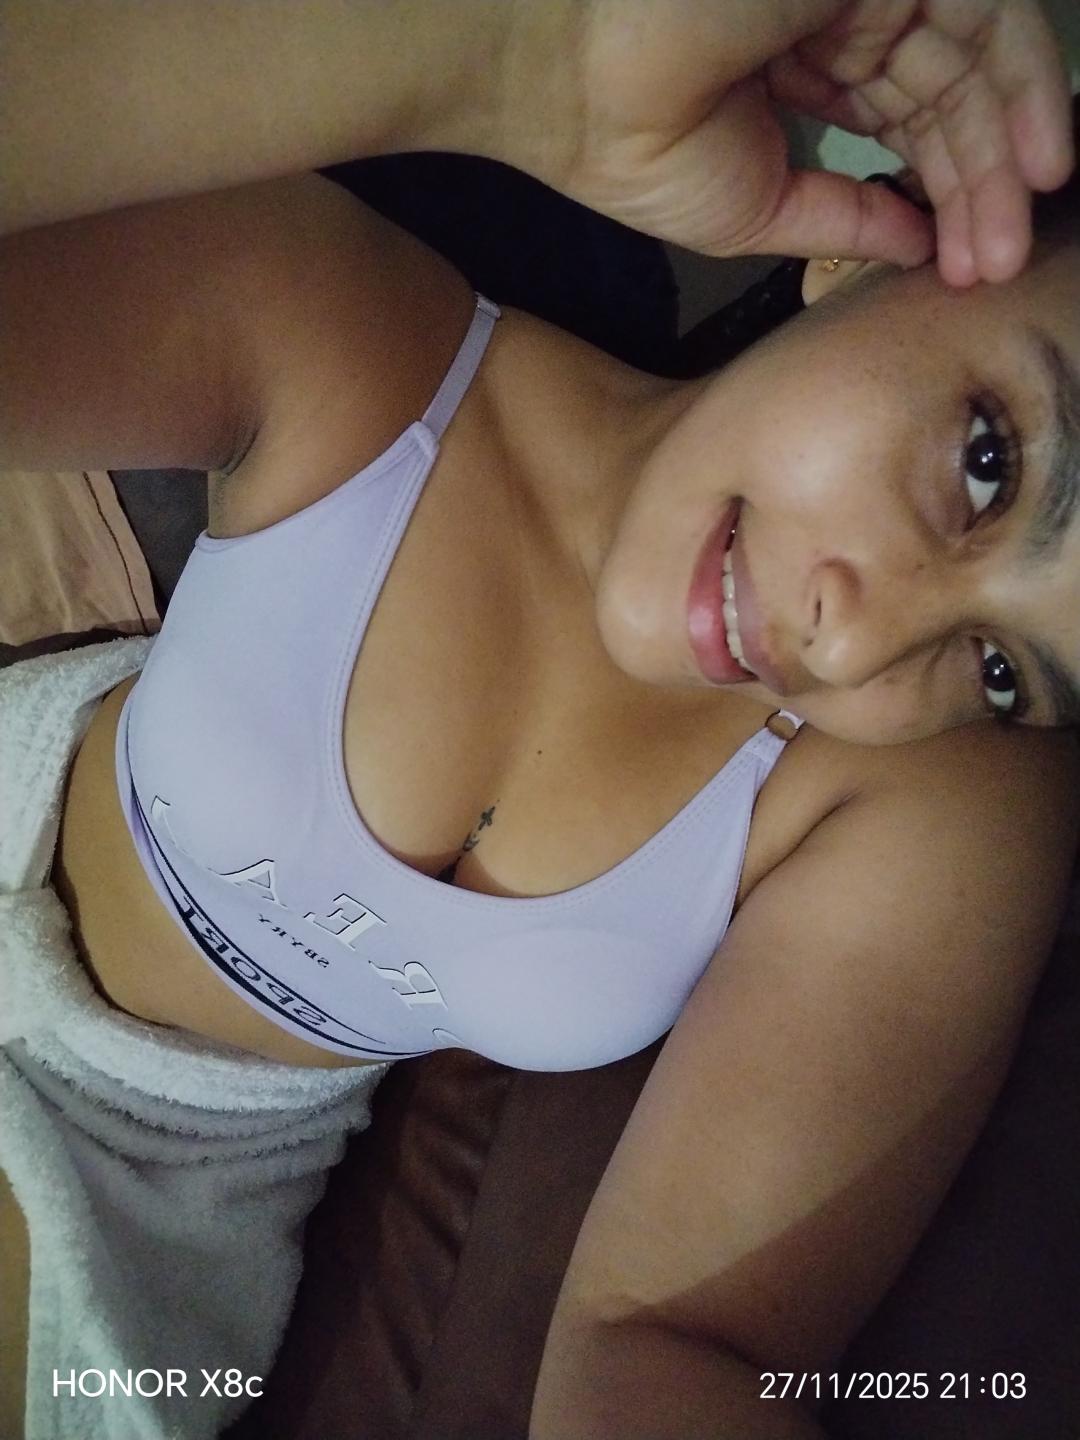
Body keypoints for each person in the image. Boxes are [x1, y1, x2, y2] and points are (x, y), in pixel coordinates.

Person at [1, 3, 1078, 1438]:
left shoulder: (939, 791)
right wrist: (511, 61)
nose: (866, 639)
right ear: (886, 248)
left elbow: (661, 1353)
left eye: (1006, 667)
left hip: (161, 1191)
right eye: (989, 461)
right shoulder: (359, 352)